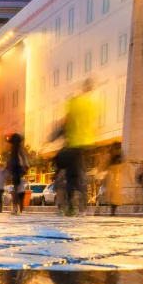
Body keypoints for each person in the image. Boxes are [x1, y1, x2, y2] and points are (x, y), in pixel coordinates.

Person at [57, 79, 96, 216]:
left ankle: (72, 207)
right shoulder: (92, 105)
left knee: (71, 176)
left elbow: (66, 121)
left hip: (73, 145)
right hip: (86, 143)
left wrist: (55, 136)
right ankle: (82, 208)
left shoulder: (74, 102)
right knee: (80, 175)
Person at [7, 133, 29, 215]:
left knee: (15, 188)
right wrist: (26, 165)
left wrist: (8, 169)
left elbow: (10, 161)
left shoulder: (12, 149)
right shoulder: (19, 148)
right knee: (18, 188)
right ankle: (17, 207)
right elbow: (23, 157)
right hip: (19, 169)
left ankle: (15, 207)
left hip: (14, 169)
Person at [102, 143, 123, 216]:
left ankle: (113, 211)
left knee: (115, 196)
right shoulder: (110, 156)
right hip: (112, 176)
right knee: (112, 195)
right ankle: (112, 211)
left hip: (116, 176)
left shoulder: (118, 156)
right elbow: (105, 165)